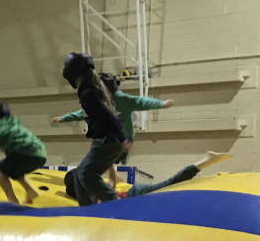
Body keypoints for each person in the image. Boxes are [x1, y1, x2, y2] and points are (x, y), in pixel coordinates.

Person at [52, 72, 174, 187]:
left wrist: (160, 104)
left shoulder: (121, 99)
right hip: (109, 138)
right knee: (102, 153)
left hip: (124, 139)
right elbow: (82, 113)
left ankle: (112, 179)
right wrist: (64, 118)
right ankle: (113, 178)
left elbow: (141, 101)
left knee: (104, 156)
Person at [61, 52, 128, 205]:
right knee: (79, 175)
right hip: (107, 140)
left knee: (86, 175)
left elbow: (110, 116)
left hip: (107, 140)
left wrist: (123, 138)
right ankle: (87, 209)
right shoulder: (88, 91)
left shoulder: (88, 94)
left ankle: (115, 203)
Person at [63, 151, 232, 200]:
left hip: (135, 194)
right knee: (170, 187)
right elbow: (111, 180)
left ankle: (204, 163)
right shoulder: (94, 197)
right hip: (135, 195)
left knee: (169, 185)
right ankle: (202, 169)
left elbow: (110, 181)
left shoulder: (95, 197)